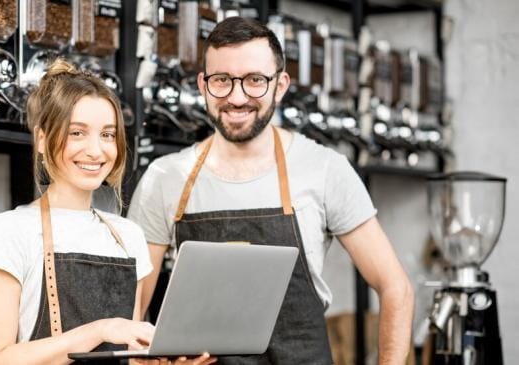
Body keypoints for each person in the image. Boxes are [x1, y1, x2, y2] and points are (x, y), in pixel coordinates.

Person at [128, 17, 415, 364]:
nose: (237, 97)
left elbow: (395, 287)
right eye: (222, 80)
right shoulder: (165, 178)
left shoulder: (324, 169)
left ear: (280, 85)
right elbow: (133, 312)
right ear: (203, 86)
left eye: (254, 81)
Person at [0, 60, 215, 365]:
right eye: (77, 133)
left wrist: (166, 361)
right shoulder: (10, 230)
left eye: (108, 135)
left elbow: (130, 356)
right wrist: (101, 330)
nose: (96, 150)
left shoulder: (128, 236)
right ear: (43, 140)